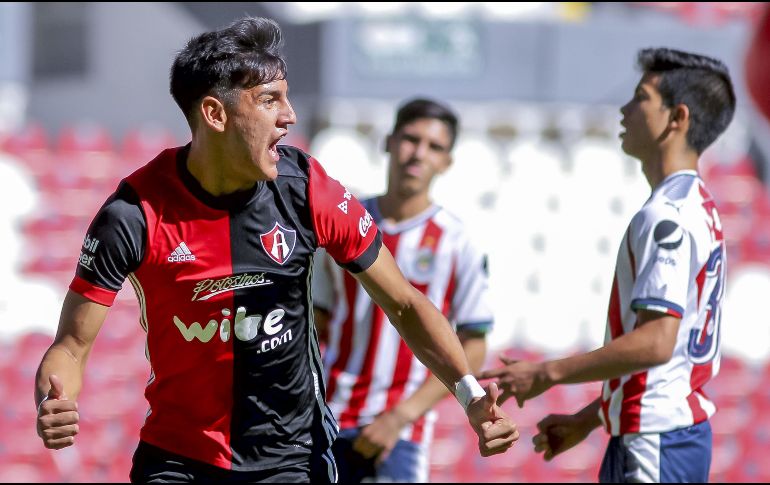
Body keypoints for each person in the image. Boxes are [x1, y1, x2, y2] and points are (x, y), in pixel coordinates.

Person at [33, 17, 518, 483]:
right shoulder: (134, 213)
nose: (289, 115)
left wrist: (471, 394)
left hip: (291, 458)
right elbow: (70, 348)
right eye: (270, 100)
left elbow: (405, 303)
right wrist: (54, 401)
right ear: (215, 113)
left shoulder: (308, 188)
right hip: (177, 459)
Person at [478, 47, 734, 483]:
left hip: (656, 443)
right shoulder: (699, 207)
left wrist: (546, 372)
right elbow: (666, 366)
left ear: (677, 118)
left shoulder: (667, 216)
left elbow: (657, 342)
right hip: (666, 435)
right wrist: (591, 417)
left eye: (640, 98)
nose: (625, 109)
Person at [312, 98, 493, 482]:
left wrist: (399, 417)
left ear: (447, 162)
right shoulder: (343, 222)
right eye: (411, 139)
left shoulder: (457, 242)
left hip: (402, 432)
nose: (419, 153)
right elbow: (315, 321)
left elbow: (473, 345)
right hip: (326, 417)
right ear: (389, 142)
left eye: (435, 147)